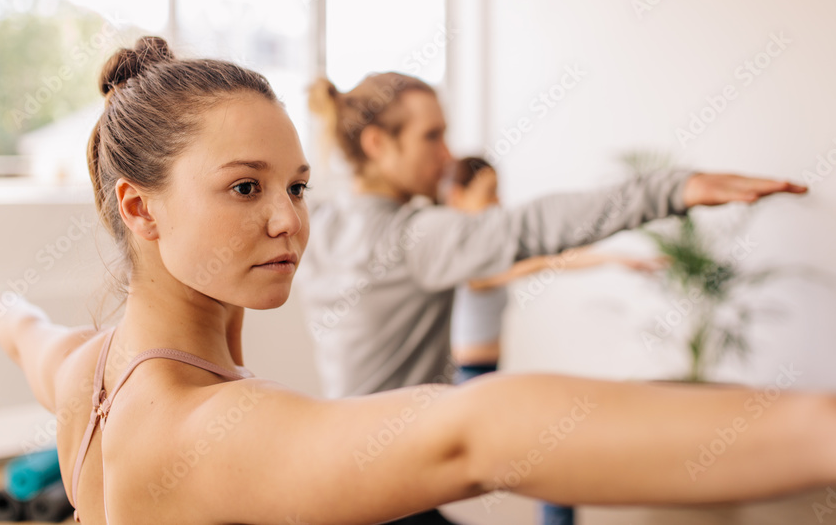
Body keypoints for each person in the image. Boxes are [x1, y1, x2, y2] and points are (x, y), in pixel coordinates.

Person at [0, 37, 836, 525]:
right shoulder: (203, 427)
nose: (289, 220)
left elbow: (20, 326)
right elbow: (474, 430)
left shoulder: (93, 372)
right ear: (139, 207)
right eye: (243, 187)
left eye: (297, 185)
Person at [300, 71, 806, 523]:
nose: (448, 156)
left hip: (347, 469)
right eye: (433, 136)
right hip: (386, 484)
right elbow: (533, 227)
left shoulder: (314, 225)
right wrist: (670, 190)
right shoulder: (413, 237)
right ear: (377, 144)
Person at [443, 155, 665, 525]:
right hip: (465, 382)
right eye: (489, 192)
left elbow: (555, 256)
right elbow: (541, 262)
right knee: (549, 461)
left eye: (500, 191)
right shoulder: (458, 253)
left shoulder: (488, 246)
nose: (499, 202)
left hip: (488, 378)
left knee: (553, 464)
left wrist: (612, 258)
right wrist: (565, 259)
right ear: (456, 196)